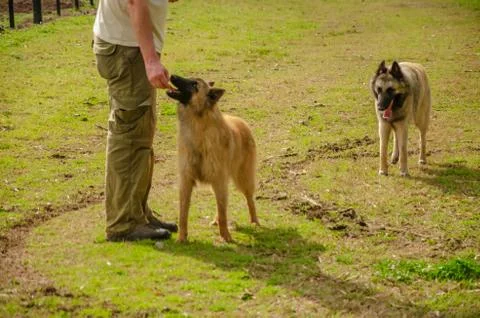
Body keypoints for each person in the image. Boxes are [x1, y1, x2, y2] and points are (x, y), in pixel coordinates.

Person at [93, 0, 179, 241]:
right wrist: (150, 60)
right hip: (127, 51)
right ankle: (124, 222)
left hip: (129, 47)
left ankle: (137, 212)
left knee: (141, 131)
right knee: (130, 134)